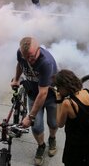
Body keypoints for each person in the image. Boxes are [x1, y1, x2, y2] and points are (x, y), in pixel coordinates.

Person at [11, 37, 58, 166]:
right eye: (25, 57)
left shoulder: (45, 62)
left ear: (39, 50)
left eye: (31, 57)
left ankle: (52, 138)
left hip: (50, 96)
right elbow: (20, 64)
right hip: (33, 94)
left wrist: (30, 116)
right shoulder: (21, 54)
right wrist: (16, 79)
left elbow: (43, 93)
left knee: (53, 123)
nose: (29, 61)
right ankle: (41, 146)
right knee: (36, 126)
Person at [53, 69, 89, 166]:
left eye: (59, 87)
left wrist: (59, 101)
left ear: (64, 86)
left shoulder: (68, 103)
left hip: (75, 143)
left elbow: (59, 123)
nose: (58, 90)